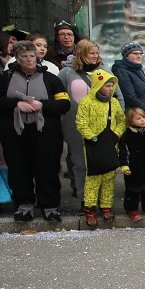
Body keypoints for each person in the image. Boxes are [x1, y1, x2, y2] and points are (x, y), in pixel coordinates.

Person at [0, 40, 71, 225]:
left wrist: (43, 105)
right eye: (24, 56)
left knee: (47, 169)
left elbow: (64, 104)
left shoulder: (50, 79)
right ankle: (24, 206)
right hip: (15, 133)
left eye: (32, 56)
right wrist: (16, 104)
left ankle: (50, 207)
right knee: (19, 170)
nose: (29, 60)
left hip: (46, 134)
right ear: (17, 58)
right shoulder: (5, 78)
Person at [59, 39, 124, 204]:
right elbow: (59, 98)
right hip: (76, 127)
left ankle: (104, 202)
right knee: (80, 165)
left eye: (97, 53)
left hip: (105, 127)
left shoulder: (104, 70)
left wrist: (118, 124)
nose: (96, 56)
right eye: (92, 53)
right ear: (81, 53)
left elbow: (118, 97)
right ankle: (85, 201)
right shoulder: (66, 73)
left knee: (104, 165)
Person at [75, 69, 125, 229]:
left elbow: (122, 120)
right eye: (107, 85)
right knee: (94, 177)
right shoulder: (86, 102)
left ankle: (106, 206)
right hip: (93, 145)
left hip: (110, 144)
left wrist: (116, 134)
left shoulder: (114, 102)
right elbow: (80, 122)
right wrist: (91, 136)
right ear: (97, 85)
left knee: (109, 176)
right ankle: (89, 208)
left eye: (112, 85)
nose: (110, 89)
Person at [119, 107, 145, 221]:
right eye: (138, 118)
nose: (142, 120)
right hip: (134, 166)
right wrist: (124, 164)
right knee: (133, 188)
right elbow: (123, 151)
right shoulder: (127, 135)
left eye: (144, 117)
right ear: (131, 121)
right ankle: (132, 209)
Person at [111, 42, 145, 118]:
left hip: (144, 114)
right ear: (126, 56)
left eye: (141, 54)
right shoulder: (122, 72)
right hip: (134, 116)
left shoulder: (138, 69)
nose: (139, 56)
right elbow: (130, 97)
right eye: (135, 54)